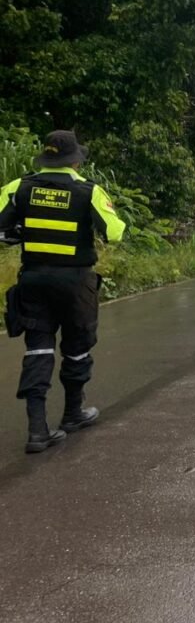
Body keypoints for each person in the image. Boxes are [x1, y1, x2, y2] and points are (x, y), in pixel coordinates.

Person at [0, 131, 126, 453]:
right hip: (75, 284)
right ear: (75, 160)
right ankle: (72, 414)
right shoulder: (89, 191)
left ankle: (38, 431)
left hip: (35, 280)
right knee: (77, 346)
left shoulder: (19, 188)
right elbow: (114, 233)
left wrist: (16, 234)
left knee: (38, 349)